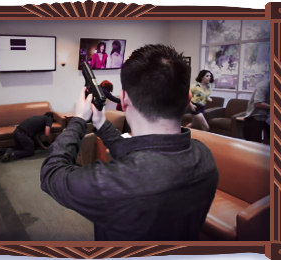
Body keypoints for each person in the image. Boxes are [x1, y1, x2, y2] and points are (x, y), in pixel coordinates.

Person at [40, 44, 219, 241]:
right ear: (188, 99)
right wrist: (101, 123)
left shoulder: (111, 183)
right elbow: (138, 156)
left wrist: (79, 120)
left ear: (123, 98)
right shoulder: (205, 156)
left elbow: (52, 173)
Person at [243, 79, 270, 144]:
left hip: (267, 118)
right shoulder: (263, 85)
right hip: (255, 118)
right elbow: (258, 104)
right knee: (253, 145)